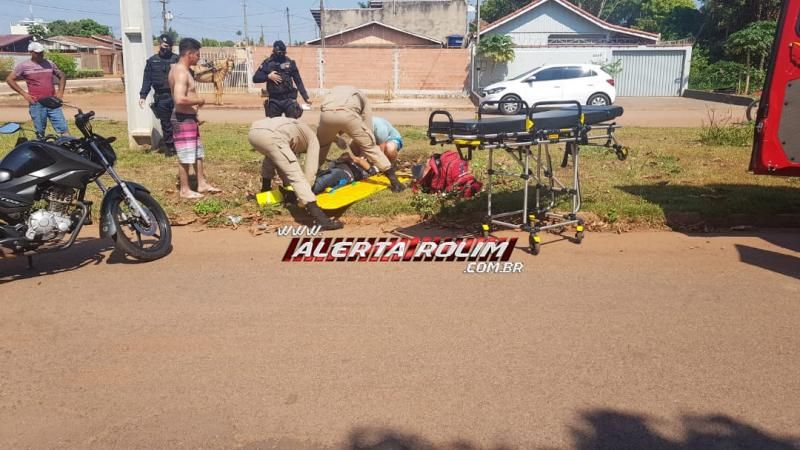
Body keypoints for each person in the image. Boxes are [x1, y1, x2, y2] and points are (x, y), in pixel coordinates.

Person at [249, 117, 343, 230]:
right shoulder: (313, 140)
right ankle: (321, 219)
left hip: (254, 133)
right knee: (296, 174)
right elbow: (310, 173)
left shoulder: (299, 129)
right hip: (273, 135)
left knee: (272, 156)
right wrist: (304, 196)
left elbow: (272, 159)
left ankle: (266, 190)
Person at [316, 86, 405, 193]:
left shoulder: (333, 93)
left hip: (326, 114)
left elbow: (330, 119)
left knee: (320, 148)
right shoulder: (362, 98)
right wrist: (359, 155)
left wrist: (336, 138)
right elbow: (368, 130)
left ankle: (310, 177)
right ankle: (394, 182)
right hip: (347, 114)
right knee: (370, 147)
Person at [168, 37, 221, 199]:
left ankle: (201, 183)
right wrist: (200, 100)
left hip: (189, 118)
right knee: (185, 155)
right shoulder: (181, 72)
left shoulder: (182, 70)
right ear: (189, 54)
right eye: (197, 55)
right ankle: (184, 189)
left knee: (197, 153)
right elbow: (179, 99)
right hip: (182, 119)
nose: (199, 58)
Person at [5, 41, 68, 139]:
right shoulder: (24, 66)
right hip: (37, 104)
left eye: (42, 52)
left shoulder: (49, 63)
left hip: (52, 102)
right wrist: (24, 94)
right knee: (40, 132)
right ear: (31, 52)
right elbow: (9, 79)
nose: (41, 54)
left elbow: (62, 75)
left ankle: (67, 148)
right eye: (38, 53)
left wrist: (60, 93)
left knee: (63, 130)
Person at [139, 34, 179, 156]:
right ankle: (170, 148)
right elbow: (147, 79)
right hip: (161, 98)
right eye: (166, 45)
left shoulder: (177, 59)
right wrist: (143, 95)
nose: (168, 48)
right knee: (166, 123)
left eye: (170, 46)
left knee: (178, 122)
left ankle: (180, 145)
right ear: (160, 44)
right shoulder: (152, 61)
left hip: (176, 96)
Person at [252, 40, 310, 119]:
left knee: (292, 124)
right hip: (274, 100)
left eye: (283, 53)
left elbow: (298, 81)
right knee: (274, 127)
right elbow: (255, 78)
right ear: (274, 51)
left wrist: (305, 97)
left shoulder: (290, 63)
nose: (281, 55)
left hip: (289, 100)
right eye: (279, 53)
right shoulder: (267, 63)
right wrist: (268, 76)